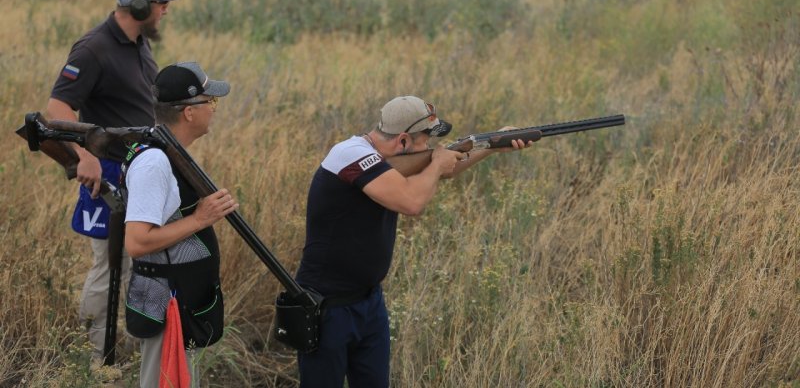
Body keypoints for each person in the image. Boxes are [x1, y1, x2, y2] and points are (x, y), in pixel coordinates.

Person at [293, 95, 533, 387]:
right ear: (403, 141)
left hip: (369, 302)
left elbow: (442, 168)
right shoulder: (349, 154)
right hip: (326, 308)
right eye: (426, 141)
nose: (431, 148)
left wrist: (493, 145)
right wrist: (437, 163)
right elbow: (412, 201)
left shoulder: (387, 157)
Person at [46, 0, 182, 363]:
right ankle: (96, 357)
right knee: (109, 264)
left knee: (136, 261)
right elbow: (58, 108)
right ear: (141, 8)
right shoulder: (94, 48)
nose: (166, 9)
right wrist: (84, 156)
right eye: (161, 3)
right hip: (108, 173)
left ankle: (121, 347)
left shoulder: (139, 45)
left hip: (142, 169)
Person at [122, 61, 238, 387]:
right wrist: (200, 219)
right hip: (165, 302)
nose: (214, 109)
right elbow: (137, 241)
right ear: (189, 112)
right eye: (210, 102)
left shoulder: (169, 151)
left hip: (179, 300)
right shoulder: (154, 162)